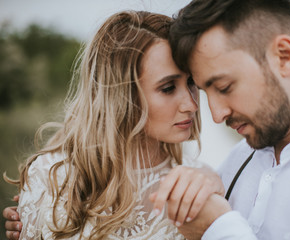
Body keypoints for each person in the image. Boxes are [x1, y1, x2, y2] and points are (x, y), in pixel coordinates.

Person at [2, 10, 224, 240]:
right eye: (168, 88)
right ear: (121, 95)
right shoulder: (51, 178)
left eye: (190, 82)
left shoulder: (203, 185)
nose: (191, 104)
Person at [151, 0, 290, 239]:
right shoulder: (238, 159)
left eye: (224, 87)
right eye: (204, 92)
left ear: (283, 56)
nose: (217, 115)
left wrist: (219, 228)